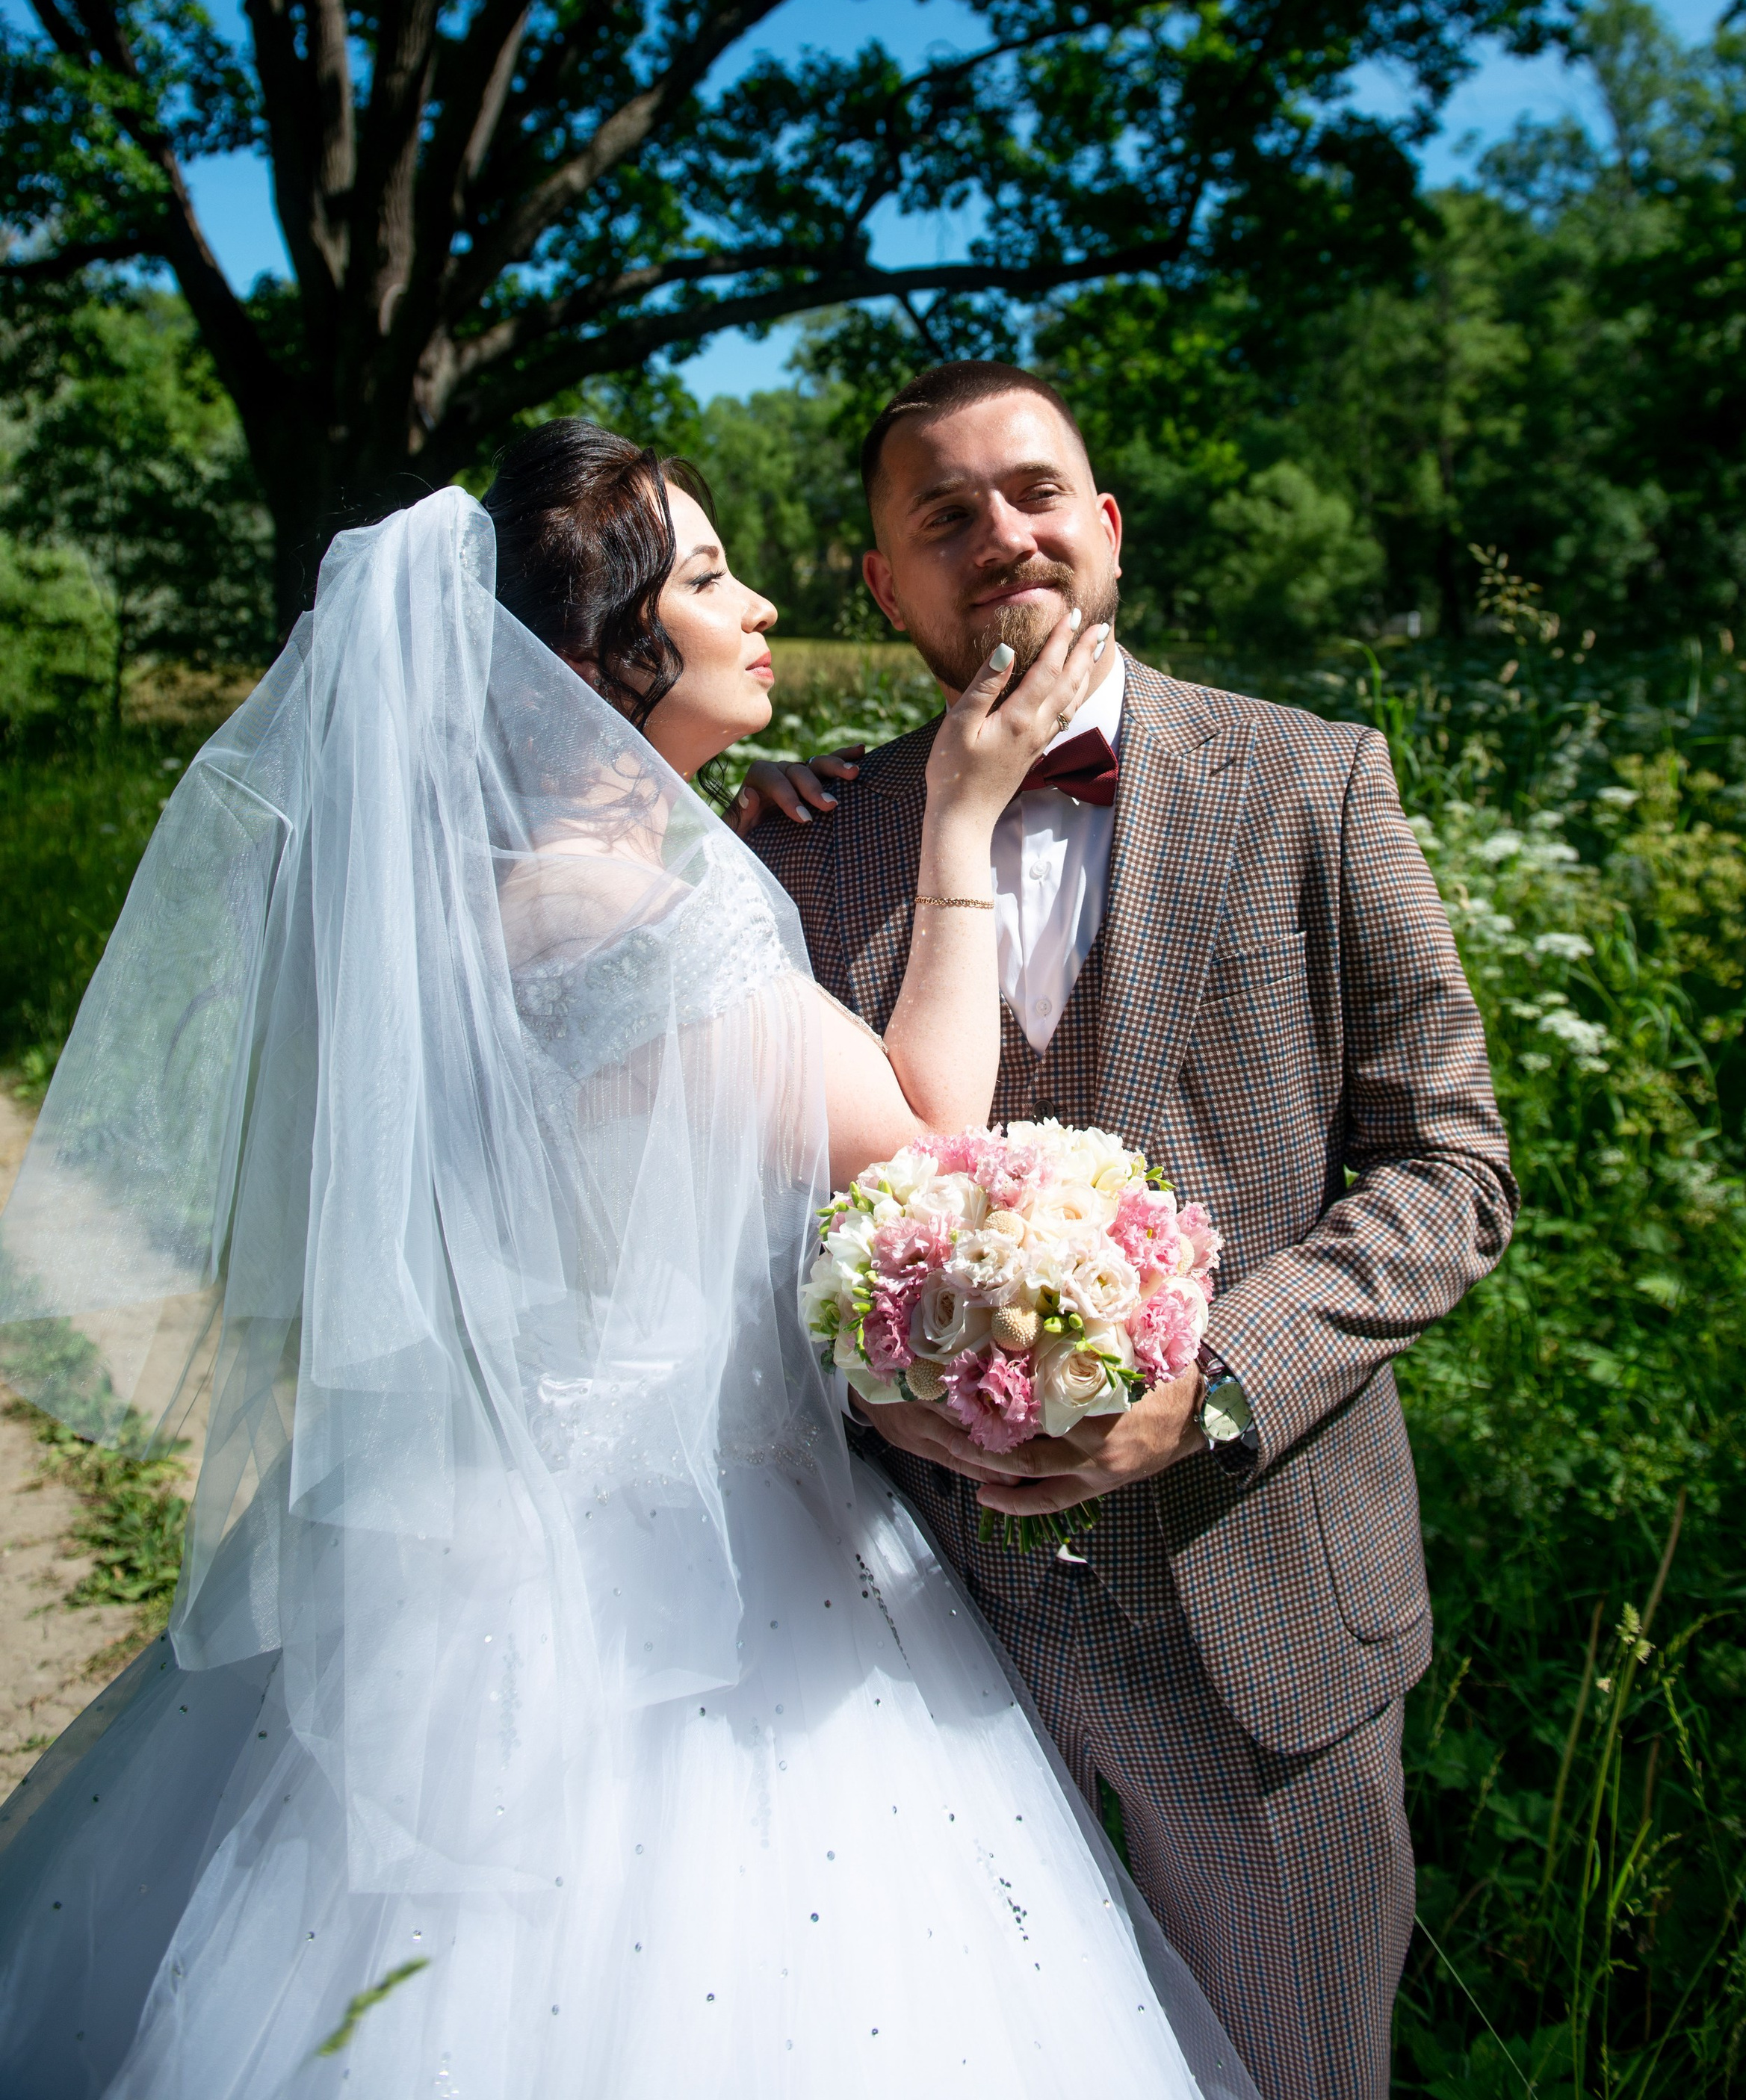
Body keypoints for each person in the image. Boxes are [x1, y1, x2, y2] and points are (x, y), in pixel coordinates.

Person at [0, 424, 1257, 2100]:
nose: (759, 610)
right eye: (713, 577)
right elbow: (923, 1133)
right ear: (603, 654)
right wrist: (957, 821)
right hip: (681, 1564)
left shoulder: (529, 886)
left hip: (496, 1521)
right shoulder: (621, 906)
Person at [741, 362, 1518, 2100]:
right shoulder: (796, 847)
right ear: (882, 582)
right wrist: (869, 1382)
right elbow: (742, 1212)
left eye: (1030, 492)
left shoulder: (1312, 782)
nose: (995, 533)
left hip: (1261, 1630)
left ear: (1099, 525)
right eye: (938, 515)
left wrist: (1214, 1381)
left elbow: (1449, 1170)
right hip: (909, 1636)